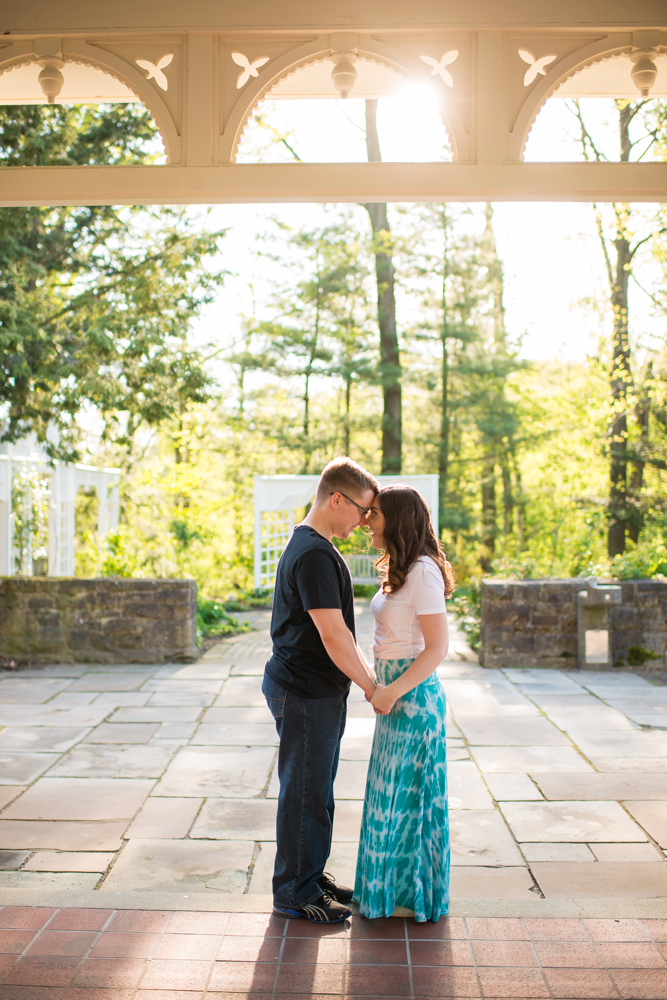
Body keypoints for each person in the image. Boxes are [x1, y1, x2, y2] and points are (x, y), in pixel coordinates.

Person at [263, 456, 379, 923]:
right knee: (306, 792)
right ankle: (294, 892)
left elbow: (340, 636)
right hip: (305, 691)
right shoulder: (313, 552)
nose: (365, 520)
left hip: (314, 691)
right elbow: (334, 636)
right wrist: (373, 687)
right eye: (362, 510)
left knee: (317, 790)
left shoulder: (314, 545)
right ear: (337, 499)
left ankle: (309, 875)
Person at [354, 484, 455, 923]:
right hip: (392, 695)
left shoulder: (424, 572)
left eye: (373, 513)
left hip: (413, 702)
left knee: (411, 802)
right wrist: (379, 683)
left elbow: (436, 648)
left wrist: (392, 690)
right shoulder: (401, 567)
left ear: (396, 520)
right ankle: (387, 893)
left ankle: (412, 898)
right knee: (388, 798)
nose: (364, 521)